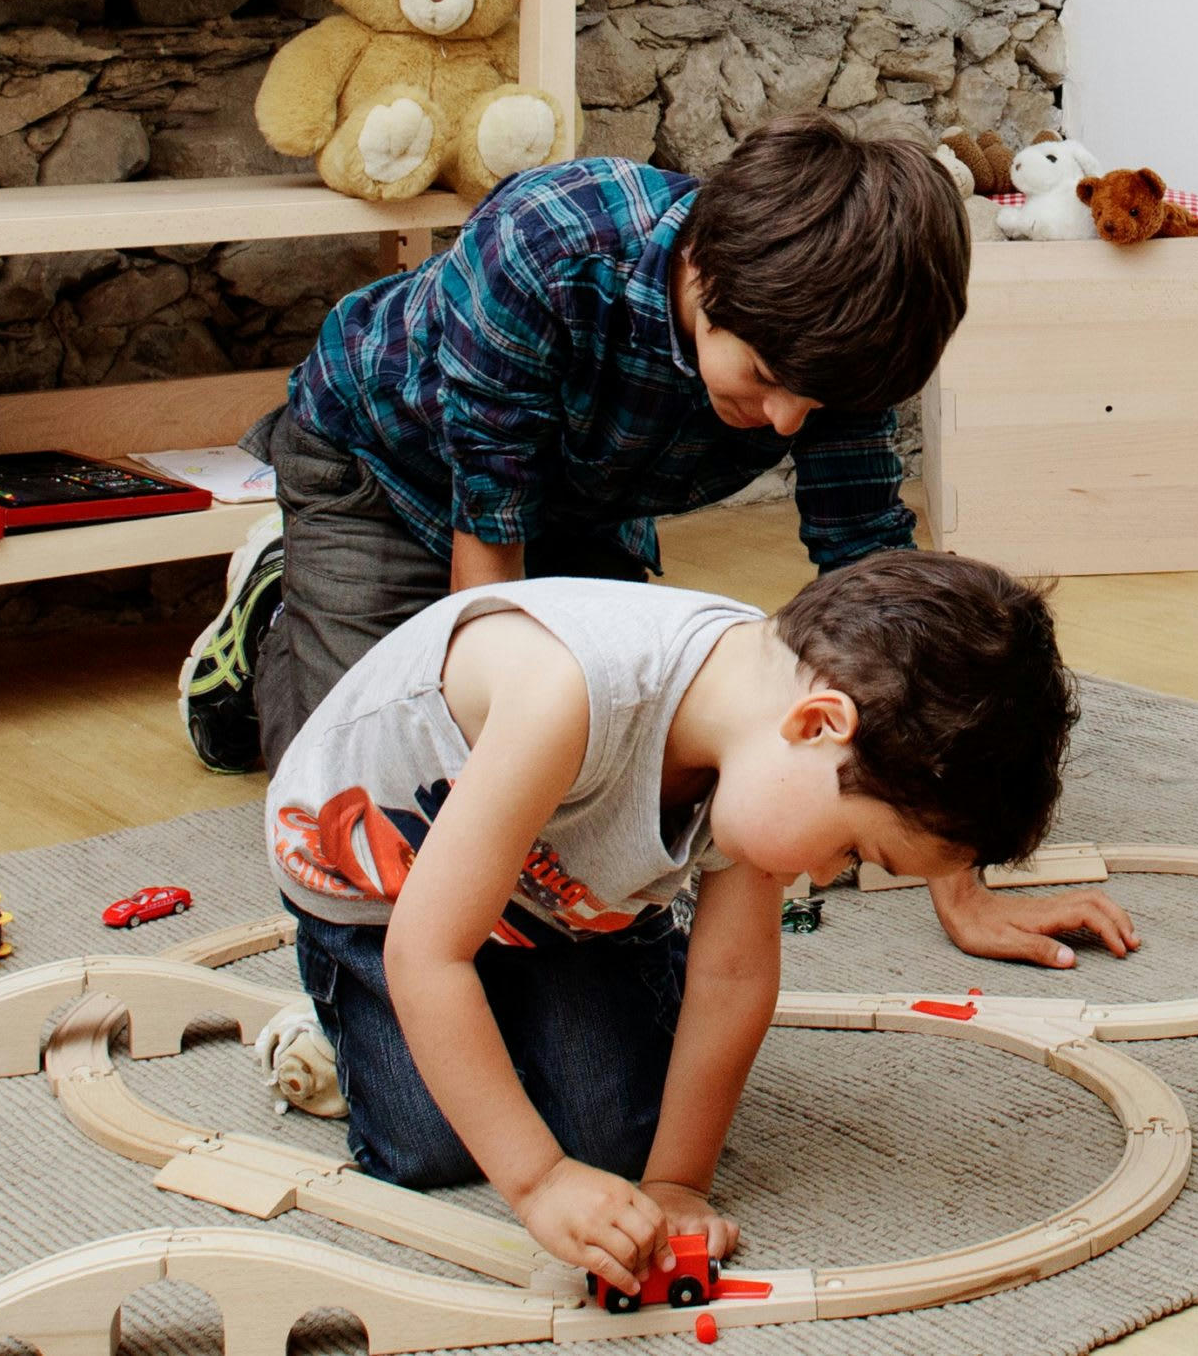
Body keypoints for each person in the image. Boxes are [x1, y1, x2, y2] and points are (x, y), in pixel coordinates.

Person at [187, 116, 1136, 970]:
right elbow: (486, 561)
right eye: (763, 379)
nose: (788, 422)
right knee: (369, 806)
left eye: (816, 404)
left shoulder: (835, 338)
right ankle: (278, 612)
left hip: (579, 507)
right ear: (707, 278)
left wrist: (956, 876)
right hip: (382, 468)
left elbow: (876, 590)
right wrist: (480, 815)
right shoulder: (548, 243)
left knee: (628, 769)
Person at [265, 551, 1075, 1290]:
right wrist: (539, 1182)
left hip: (563, 897)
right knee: (427, 1146)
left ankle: (508, 1019)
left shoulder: (769, 748)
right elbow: (429, 954)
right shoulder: (566, 695)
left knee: (617, 1144)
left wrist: (678, 1181)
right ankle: (333, 1023)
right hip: (383, 894)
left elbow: (733, 974)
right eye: (854, 848)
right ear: (817, 725)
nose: (828, 876)